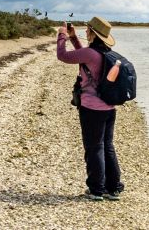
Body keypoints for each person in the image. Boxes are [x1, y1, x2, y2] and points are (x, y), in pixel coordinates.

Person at [56, 16, 123, 201]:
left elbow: (62, 55)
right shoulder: (106, 53)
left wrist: (61, 35)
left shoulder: (90, 54)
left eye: (87, 30)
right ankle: (113, 188)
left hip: (92, 109)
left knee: (94, 148)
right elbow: (85, 58)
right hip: (109, 107)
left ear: (93, 33)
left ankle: (96, 189)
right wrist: (74, 38)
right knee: (107, 146)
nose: (85, 31)